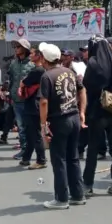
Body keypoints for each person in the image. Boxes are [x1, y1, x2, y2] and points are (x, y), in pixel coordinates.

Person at [38, 42, 87, 210]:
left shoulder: (47, 76)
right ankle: (78, 194)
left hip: (58, 121)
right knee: (73, 158)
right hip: (73, 117)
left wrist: (43, 125)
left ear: (45, 59)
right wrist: (81, 112)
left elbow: (44, 102)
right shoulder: (69, 72)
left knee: (59, 160)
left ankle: (61, 198)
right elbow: (82, 90)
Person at [81, 35, 112, 197]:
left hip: (96, 112)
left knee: (93, 149)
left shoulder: (93, 64)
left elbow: (86, 88)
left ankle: (87, 184)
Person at [18, 47, 47, 169]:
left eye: (33, 53)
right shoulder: (41, 70)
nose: (30, 55)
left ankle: (41, 160)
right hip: (33, 104)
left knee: (35, 133)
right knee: (30, 133)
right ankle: (26, 158)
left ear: (39, 56)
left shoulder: (38, 71)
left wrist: (22, 83)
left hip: (33, 105)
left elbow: (23, 83)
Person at [7, 39, 33, 159]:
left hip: (30, 100)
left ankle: (37, 151)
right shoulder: (13, 63)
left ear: (25, 49)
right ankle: (24, 150)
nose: (16, 48)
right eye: (15, 47)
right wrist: (10, 94)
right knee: (21, 127)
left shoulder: (32, 64)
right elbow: (11, 79)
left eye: (18, 46)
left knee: (32, 127)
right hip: (16, 100)